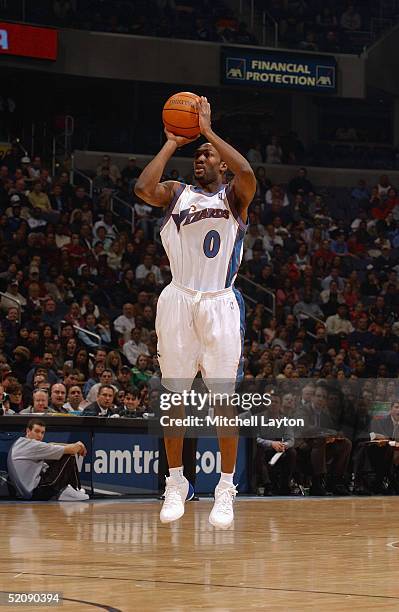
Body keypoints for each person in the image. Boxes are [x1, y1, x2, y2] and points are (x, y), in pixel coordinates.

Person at [135, 96, 256, 528]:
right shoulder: (177, 194)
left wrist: (208, 132)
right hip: (178, 299)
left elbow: (246, 172)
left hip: (220, 302)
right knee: (175, 401)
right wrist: (172, 143)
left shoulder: (235, 195)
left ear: (221, 163)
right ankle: (175, 483)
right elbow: (143, 189)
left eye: (207, 155)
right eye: (198, 155)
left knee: (223, 401)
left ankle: (225, 488)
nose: (200, 159)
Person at [7, 418, 89, 501]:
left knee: (54, 457)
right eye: (37, 431)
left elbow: (50, 445)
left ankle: (66, 489)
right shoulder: (33, 446)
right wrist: (79, 445)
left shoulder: (21, 443)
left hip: (25, 493)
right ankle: (75, 489)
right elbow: (72, 449)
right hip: (36, 492)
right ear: (28, 431)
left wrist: (74, 445)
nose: (40, 435)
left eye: (42, 433)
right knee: (69, 455)